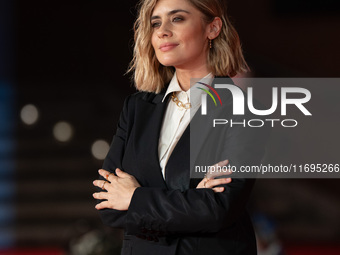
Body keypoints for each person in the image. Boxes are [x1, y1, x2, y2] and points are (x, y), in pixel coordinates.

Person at [93, 0, 269, 254]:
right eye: (156, 23)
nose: (162, 30)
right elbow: (107, 204)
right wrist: (190, 201)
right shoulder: (137, 107)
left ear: (213, 28)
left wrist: (134, 198)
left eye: (177, 18)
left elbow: (217, 209)